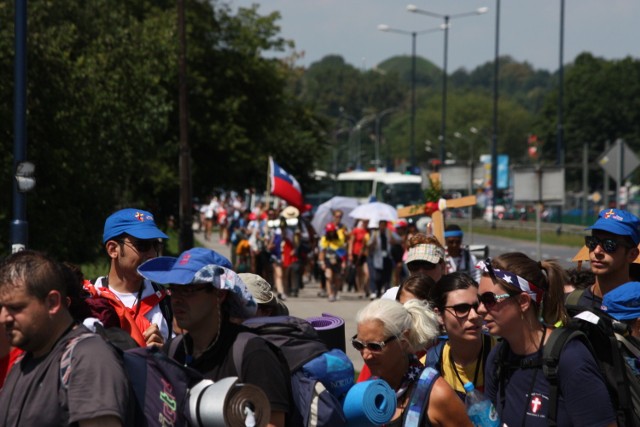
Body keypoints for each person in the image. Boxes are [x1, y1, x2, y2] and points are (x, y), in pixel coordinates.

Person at [138, 248, 290, 427]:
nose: (177, 299)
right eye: (174, 289)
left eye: (189, 289)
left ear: (220, 293)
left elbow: (272, 423)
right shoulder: (172, 352)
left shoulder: (254, 353)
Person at [478, 253, 616, 427]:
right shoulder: (498, 358)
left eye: (489, 300)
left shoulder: (570, 359)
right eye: (479, 299)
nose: (480, 309)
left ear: (523, 302)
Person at [0, 251, 129, 426]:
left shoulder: (88, 358)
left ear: (52, 302)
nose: (4, 318)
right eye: (2, 308)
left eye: (16, 307)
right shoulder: (22, 362)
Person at [354, 298, 472, 427]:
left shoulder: (436, 394)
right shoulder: (369, 387)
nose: (366, 355)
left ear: (403, 342)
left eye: (375, 346)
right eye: (359, 344)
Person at [91, 208, 171, 347]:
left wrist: (162, 355)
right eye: (143, 245)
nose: (152, 254)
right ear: (113, 249)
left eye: (155, 245)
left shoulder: (167, 303)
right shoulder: (89, 298)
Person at [425, 272, 495, 400]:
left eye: (477, 305)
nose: (474, 316)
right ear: (439, 316)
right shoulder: (428, 366)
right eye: (461, 308)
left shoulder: (502, 355)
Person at [574, 208, 640, 308]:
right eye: (592, 242)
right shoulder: (571, 303)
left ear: (632, 254)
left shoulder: (636, 308)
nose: (597, 251)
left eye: (610, 245)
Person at [367, 219, 400, 299]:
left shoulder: (389, 232)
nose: (382, 227)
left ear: (385, 225)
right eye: (380, 225)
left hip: (387, 258)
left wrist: (394, 241)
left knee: (387, 277)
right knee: (377, 277)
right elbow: (368, 244)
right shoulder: (375, 234)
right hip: (378, 257)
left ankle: (385, 292)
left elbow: (399, 240)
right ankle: (377, 290)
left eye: (383, 225)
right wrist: (373, 243)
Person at [319, 222, 347, 302]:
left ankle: (335, 293)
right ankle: (330, 294)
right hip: (328, 261)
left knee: (337, 278)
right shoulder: (324, 239)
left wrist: (344, 262)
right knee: (329, 277)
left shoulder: (339, 239)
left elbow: (343, 252)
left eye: (332, 231)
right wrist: (322, 262)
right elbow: (322, 252)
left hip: (338, 261)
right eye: (329, 231)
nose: (331, 233)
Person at [347, 219, 370, 297]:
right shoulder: (356, 230)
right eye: (365, 222)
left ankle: (365, 288)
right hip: (356, 254)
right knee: (359, 273)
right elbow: (351, 242)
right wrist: (350, 254)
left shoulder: (369, 231)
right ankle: (360, 289)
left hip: (366, 254)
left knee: (367, 273)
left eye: (367, 222)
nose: (366, 223)